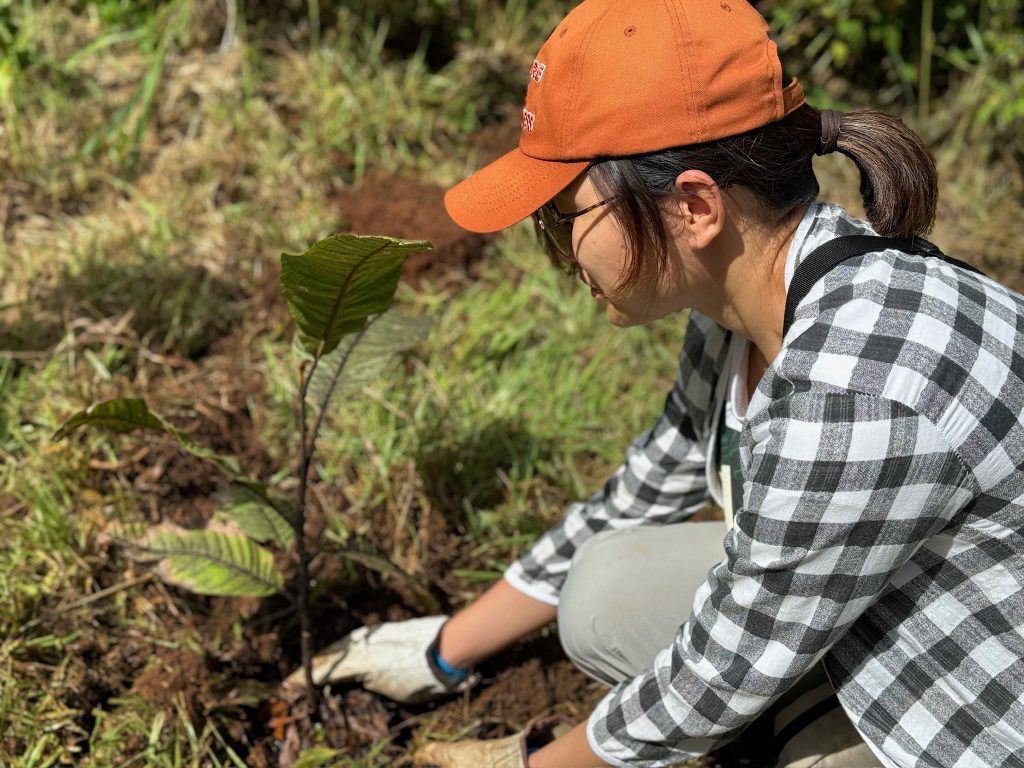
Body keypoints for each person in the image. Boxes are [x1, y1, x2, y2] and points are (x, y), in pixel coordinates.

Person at [290, 1, 1024, 766]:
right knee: (604, 593)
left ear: (695, 205)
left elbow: (722, 668)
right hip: (885, 607)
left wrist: (531, 765)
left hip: (977, 698)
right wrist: (443, 650)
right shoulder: (745, 301)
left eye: (564, 214)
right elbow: (653, 482)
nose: (561, 250)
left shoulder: (854, 391)